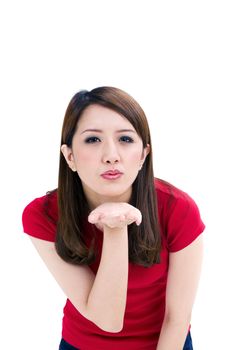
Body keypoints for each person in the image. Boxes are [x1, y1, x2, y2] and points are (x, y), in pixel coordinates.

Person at [22, 86, 205, 350]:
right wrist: (115, 227)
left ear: (143, 155)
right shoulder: (43, 215)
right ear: (69, 156)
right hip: (83, 344)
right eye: (93, 140)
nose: (111, 156)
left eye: (126, 140)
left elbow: (177, 318)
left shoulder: (178, 208)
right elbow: (107, 320)